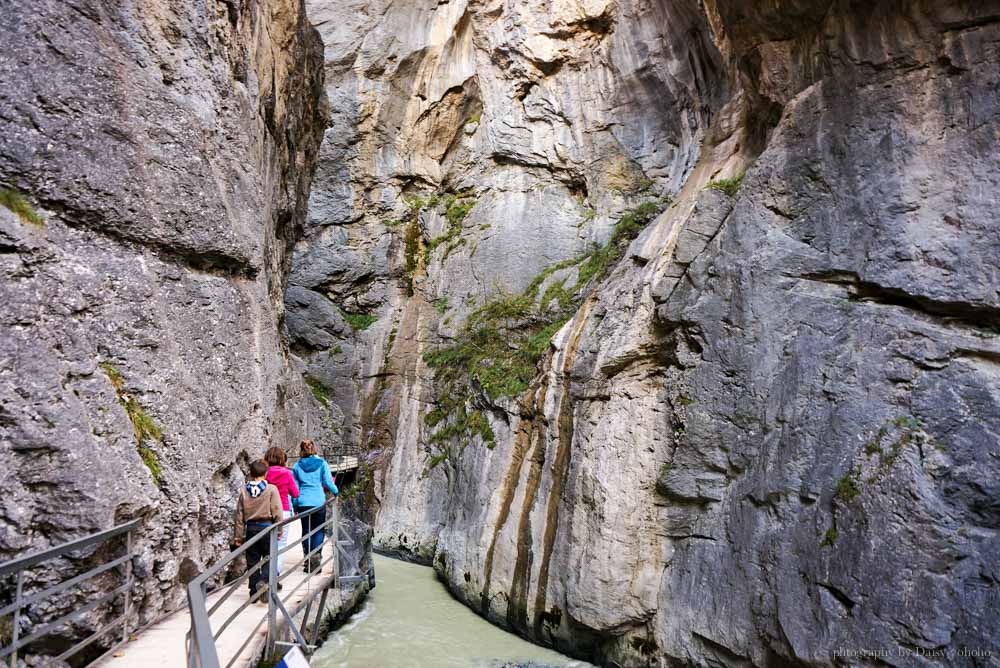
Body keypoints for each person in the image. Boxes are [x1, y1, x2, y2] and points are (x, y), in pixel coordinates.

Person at [234, 459, 282, 602]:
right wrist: (279, 529)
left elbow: (239, 515)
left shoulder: (244, 490)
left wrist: (238, 536)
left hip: (251, 529)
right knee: (270, 556)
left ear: (251, 473)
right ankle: (264, 581)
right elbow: (277, 510)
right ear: (266, 473)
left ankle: (253, 591)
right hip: (267, 528)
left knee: (252, 560)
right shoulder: (271, 489)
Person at [292, 440, 338, 573]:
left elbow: (295, 489)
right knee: (318, 530)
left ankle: (307, 559)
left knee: (306, 530)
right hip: (318, 502)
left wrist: (295, 505)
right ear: (314, 448)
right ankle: (316, 556)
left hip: (303, 502)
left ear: (301, 450)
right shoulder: (322, 463)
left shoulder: (296, 466)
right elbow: (328, 482)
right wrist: (336, 492)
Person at [264, 446, 299, 577]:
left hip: (266, 511)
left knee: (267, 543)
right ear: (281, 459)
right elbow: (295, 493)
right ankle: (275, 574)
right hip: (283, 510)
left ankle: (266, 572)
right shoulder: (286, 473)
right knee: (281, 544)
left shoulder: (265, 473)